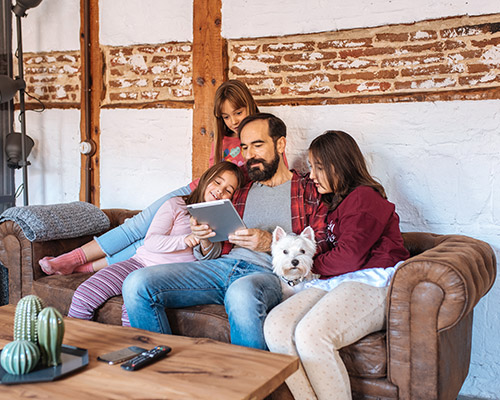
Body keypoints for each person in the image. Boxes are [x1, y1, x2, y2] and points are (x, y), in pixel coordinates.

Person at [121, 113, 329, 350]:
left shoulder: (307, 191)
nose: (249, 155)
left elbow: (322, 244)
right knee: (137, 283)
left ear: (280, 144)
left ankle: (249, 384)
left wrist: (269, 242)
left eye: (258, 145)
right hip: (220, 267)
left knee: (240, 293)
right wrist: (204, 238)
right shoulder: (239, 189)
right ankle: (162, 370)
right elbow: (213, 252)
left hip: (267, 275)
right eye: (245, 147)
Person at [38, 80, 259, 275]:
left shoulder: (262, 141)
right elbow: (211, 178)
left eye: (238, 113)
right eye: (226, 116)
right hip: (192, 191)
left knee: (148, 242)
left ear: (249, 106)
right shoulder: (223, 138)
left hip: (217, 204)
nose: (233, 122)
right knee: (137, 226)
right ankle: (72, 258)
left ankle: (83, 268)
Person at [263, 131, 410, 400]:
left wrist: (310, 264)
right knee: (276, 326)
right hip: (337, 281)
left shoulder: (364, 198)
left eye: (318, 167)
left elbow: (350, 257)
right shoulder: (334, 205)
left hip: (372, 281)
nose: (312, 175)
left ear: (340, 165)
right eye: (311, 167)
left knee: (311, 335)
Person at [67, 161, 245, 326]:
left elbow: (211, 258)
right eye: (217, 182)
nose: (220, 190)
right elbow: (151, 241)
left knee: (132, 311)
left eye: (228, 190)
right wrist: (184, 240)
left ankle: (129, 355)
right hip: (139, 263)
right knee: (84, 295)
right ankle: (72, 346)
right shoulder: (177, 204)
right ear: (206, 180)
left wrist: (204, 238)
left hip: (171, 277)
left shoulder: (221, 220)